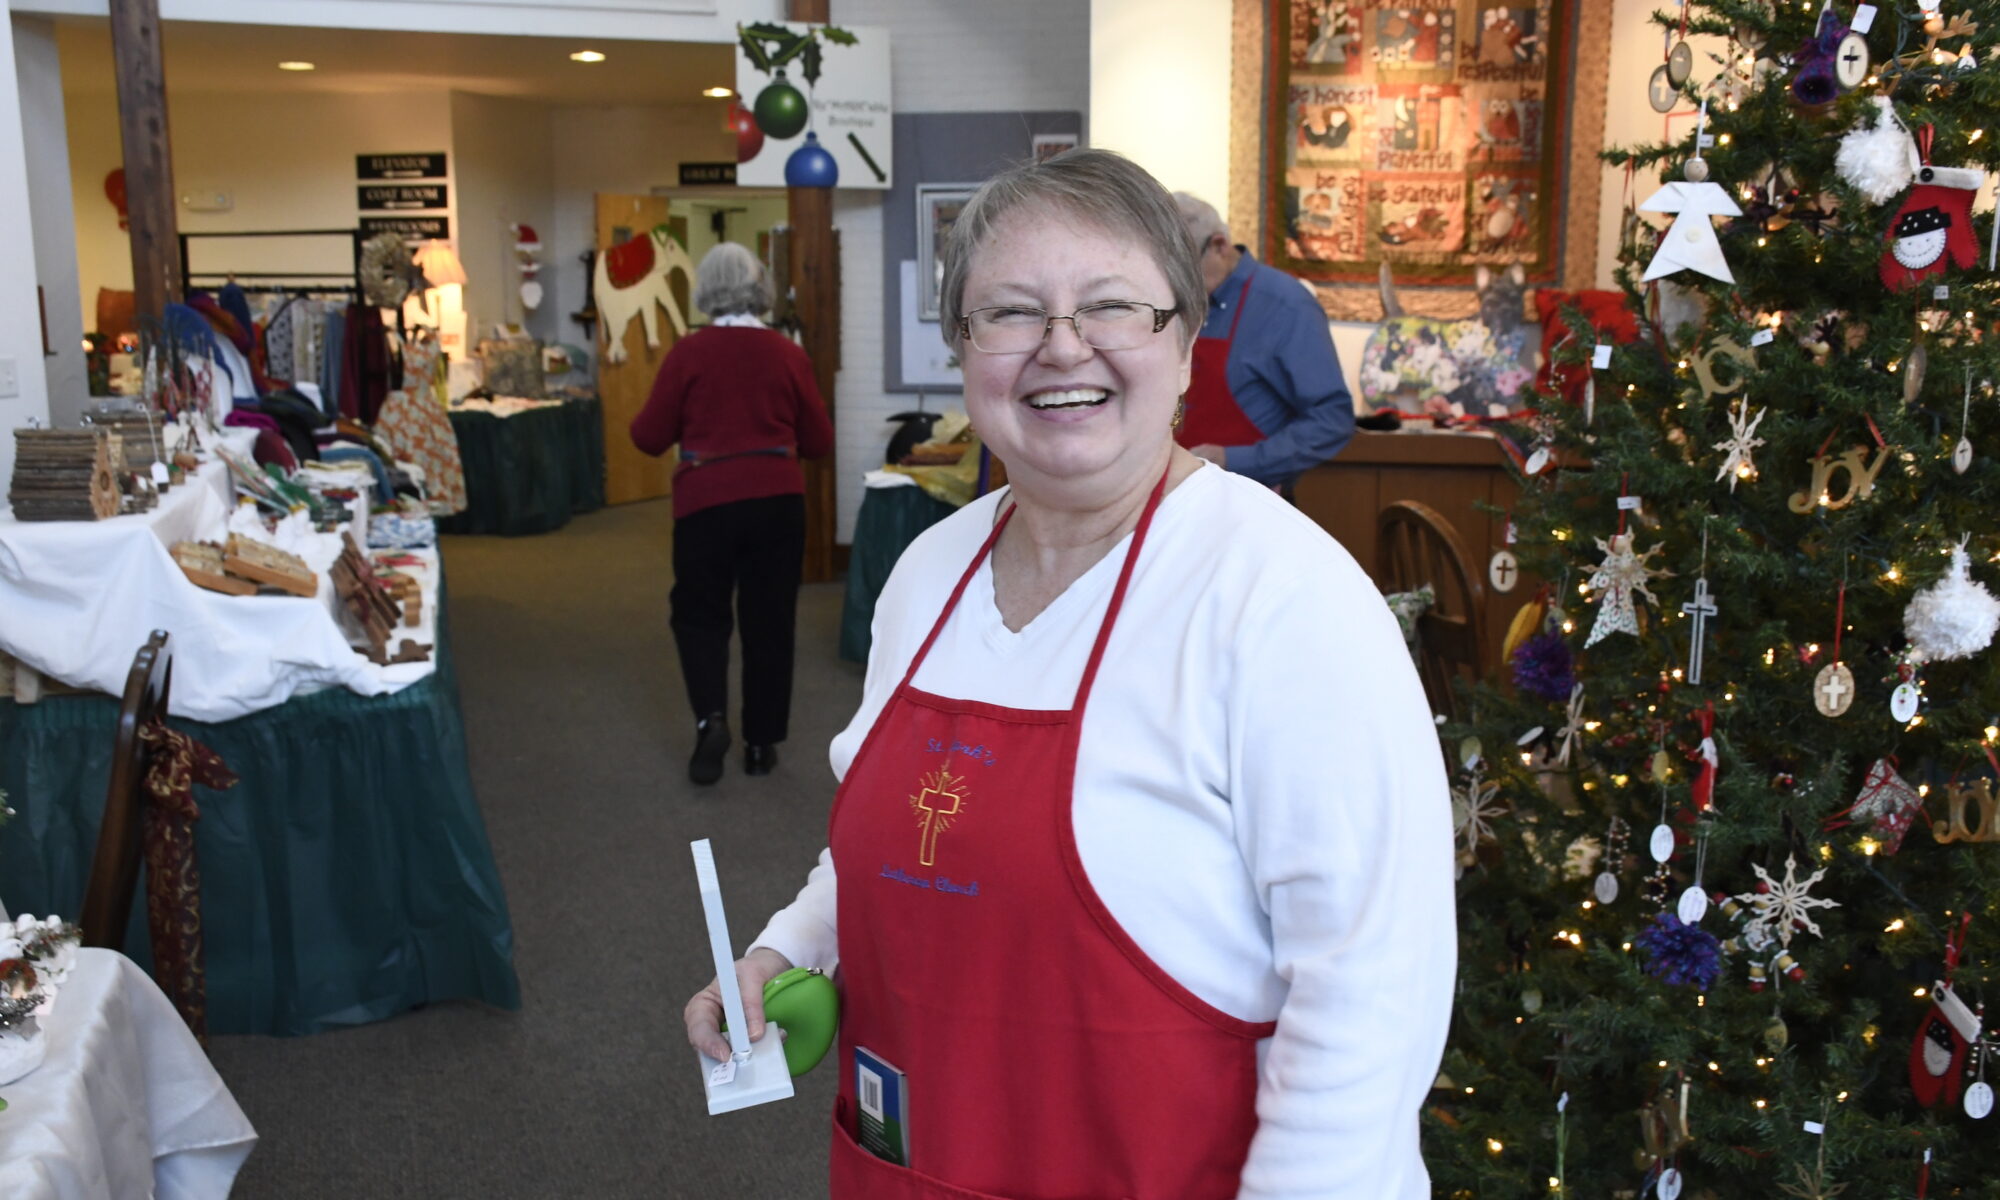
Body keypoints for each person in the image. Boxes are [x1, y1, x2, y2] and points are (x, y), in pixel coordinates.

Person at [684, 150, 1454, 1198]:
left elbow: (1367, 1001)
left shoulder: (1285, 601)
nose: (1061, 348)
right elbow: (901, 838)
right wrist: (783, 950)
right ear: (962, 351)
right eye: (1008, 313)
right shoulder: (927, 574)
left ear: (1182, 343)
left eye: (1109, 306)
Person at [630, 242, 832, 785]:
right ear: (759, 287)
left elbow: (647, 438)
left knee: (700, 616)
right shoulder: (788, 354)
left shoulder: (687, 354)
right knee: (770, 621)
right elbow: (818, 441)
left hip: (706, 504)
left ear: (704, 289)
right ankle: (762, 743)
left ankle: (710, 719)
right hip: (777, 503)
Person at [1172, 191, 1355, 491]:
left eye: (1186, 268)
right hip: (1177, 496)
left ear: (1219, 245)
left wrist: (1236, 459)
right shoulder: (1176, 302)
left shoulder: (1285, 305)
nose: (1180, 282)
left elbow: (1331, 420)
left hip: (1249, 499)